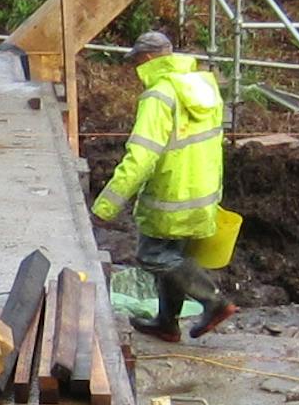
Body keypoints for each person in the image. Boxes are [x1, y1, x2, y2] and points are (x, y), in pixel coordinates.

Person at [91, 27, 236, 343]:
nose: (135, 69)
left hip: (170, 192)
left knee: (154, 255)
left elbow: (142, 157)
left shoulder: (159, 96)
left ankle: (213, 301)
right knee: (173, 254)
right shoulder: (202, 85)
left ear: (146, 58)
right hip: (201, 191)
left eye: (136, 62)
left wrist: (106, 205)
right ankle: (167, 323)